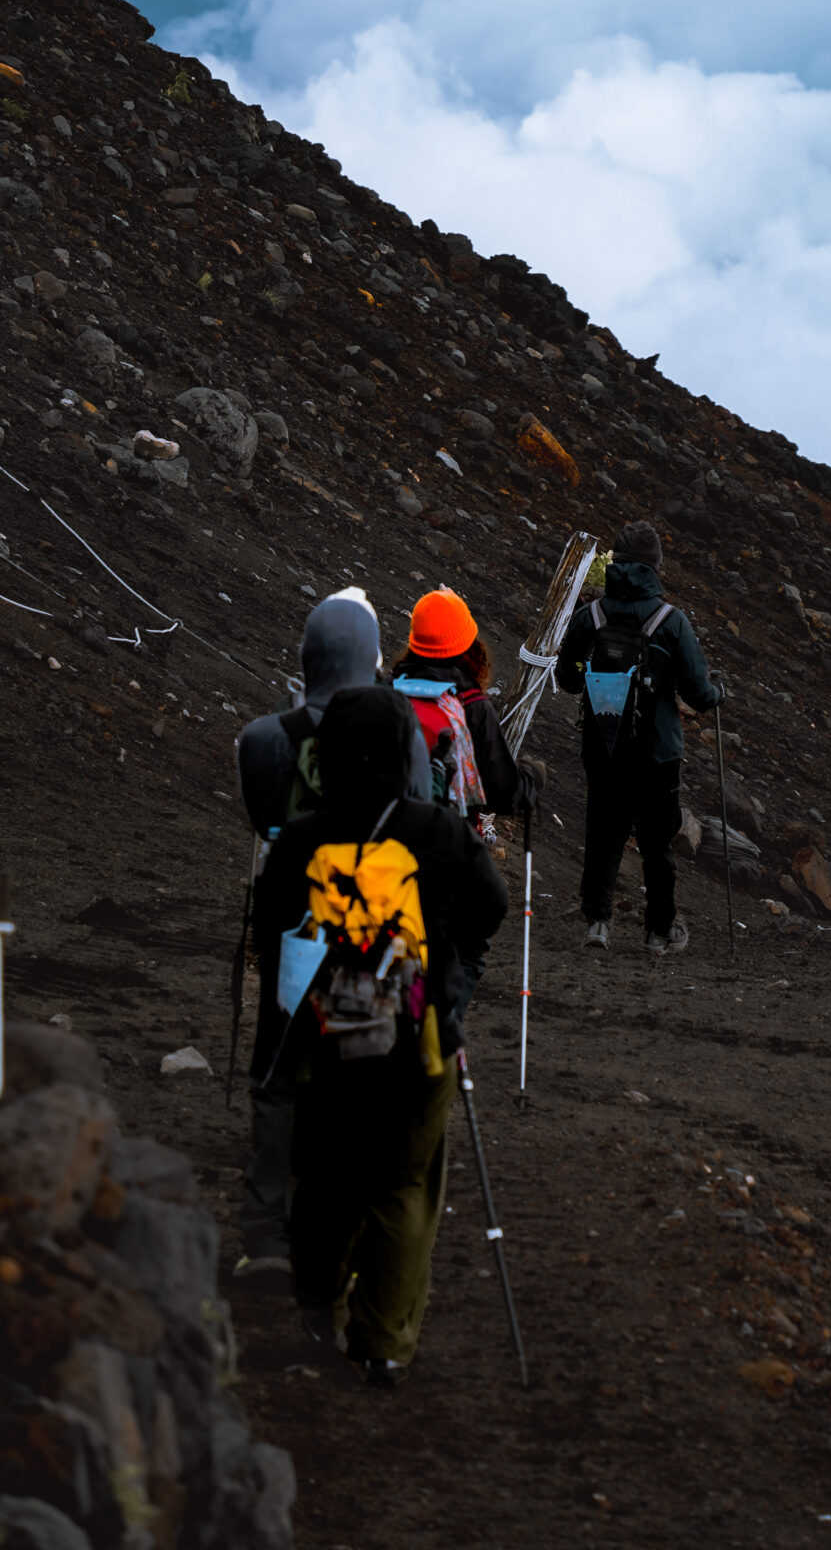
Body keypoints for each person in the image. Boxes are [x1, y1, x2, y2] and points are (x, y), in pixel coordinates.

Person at [251, 684, 507, 1388]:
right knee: (402, 1184)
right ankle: (382, 1342)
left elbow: (271, 940)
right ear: (407, 752)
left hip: (324, 1043)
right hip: (417, 1039)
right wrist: (445, 962)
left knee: (327, 1178)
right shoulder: (439, 835)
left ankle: (319, 1314)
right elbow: (492, 907)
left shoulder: (304, 841)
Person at [232, 587, 432, 1276]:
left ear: (308, 654)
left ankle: (264, 1234)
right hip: (367, 926)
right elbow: (419, 819)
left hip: (290, 922)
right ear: (369, 657)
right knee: (358, 1064)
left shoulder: (263, 740)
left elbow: (264, 821)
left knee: (279, 1066)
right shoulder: (400, 736)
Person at [558, 519, 719, 955]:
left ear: (616, 562)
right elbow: (699, 695)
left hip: (603, 744)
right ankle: (658, 932)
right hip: (657, 752)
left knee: (604, 831)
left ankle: (598, 925)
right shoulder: (672, 621)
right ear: (655, 566)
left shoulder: (590, 616)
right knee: (656, 842)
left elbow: (567, 680)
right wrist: (717, 692)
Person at [389, 586, 533, 823]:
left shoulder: (388, 690)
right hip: (444, 839)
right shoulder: (472, 706)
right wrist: (530, 782)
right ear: (467, 644)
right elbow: (503, 794)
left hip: (380, 828)